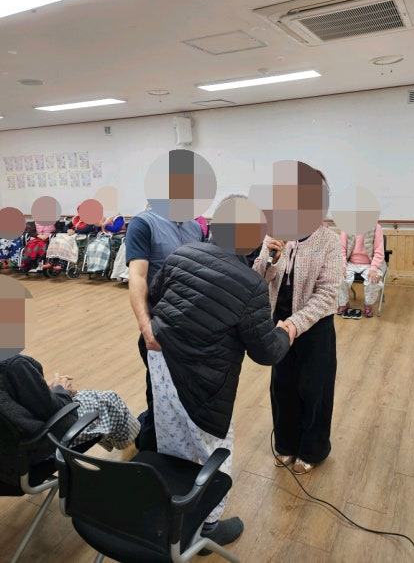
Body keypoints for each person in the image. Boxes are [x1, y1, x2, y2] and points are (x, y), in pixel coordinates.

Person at [146, 224, 292, 552]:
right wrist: (285, 332)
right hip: (204, 382)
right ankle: (207, 527)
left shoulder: (181, 254)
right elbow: (266, 352)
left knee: (173, 441)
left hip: (163, 365)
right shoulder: (251, 285)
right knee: (216, 450)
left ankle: (175, 518)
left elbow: (155, 296)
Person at [252, 164, 341, 475]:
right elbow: (258, 279)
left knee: (315, 389)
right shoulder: (277, 233)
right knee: (282, 386)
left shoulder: (329, 241)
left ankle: (313, 450)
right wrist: (271, 258)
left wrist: (296, 324)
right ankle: (287, 444)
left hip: (315, 328)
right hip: (279, 324)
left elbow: (327, 294)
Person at [125, 207, 204, 450]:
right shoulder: (143, 223)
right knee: (160, 398)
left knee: (186, 395)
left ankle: (170, 445)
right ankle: (149, 452)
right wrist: (146, 327)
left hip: (192, 330)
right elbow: (137, 277)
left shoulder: (195, 227)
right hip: (159, 330)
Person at [0, 354, 140, 464]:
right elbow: (54, 409)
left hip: (6, 458)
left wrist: (39, 388)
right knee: (109, 400)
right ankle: (136, 459)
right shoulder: (13, 364)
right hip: (35, 449)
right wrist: (61, 390)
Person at [337, 224, 386, 318]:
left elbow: (379, 252)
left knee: (374, 280)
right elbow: (341, 250)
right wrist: (342, 266)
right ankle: (344, 303)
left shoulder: (376, 227)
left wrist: (373, 269)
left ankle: (368, 305)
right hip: (350, 263)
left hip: (371, 263)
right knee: (339, 276)